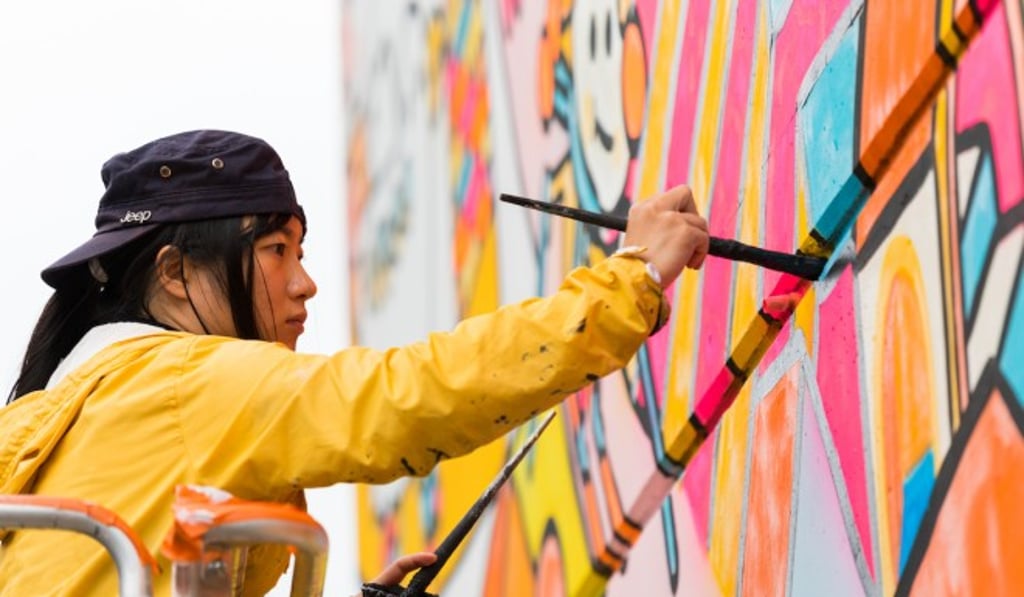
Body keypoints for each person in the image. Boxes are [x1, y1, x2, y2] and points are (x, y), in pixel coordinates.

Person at [0, 129, 709, 596]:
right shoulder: (182, 383)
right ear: (177, 273)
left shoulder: (81, 407)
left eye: (301, 253)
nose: (304, 283)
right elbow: (404, 396)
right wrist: (629, 281)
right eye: (276, 251)